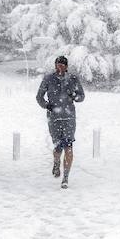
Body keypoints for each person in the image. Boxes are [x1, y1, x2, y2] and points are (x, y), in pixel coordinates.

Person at [36, 55, 85, 188]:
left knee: (68, 146)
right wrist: (47, 105)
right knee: (58, 147)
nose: (60, 67)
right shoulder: (48, 79)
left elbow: (82, 96)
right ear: (55, 65)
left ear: (67, 66)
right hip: (54, 118)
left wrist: (74, 96)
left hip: (69, 117)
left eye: (63, 65)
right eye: (58, 65)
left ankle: (66, 178)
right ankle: (57, 162)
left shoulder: (73, 79)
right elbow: (39, 97)